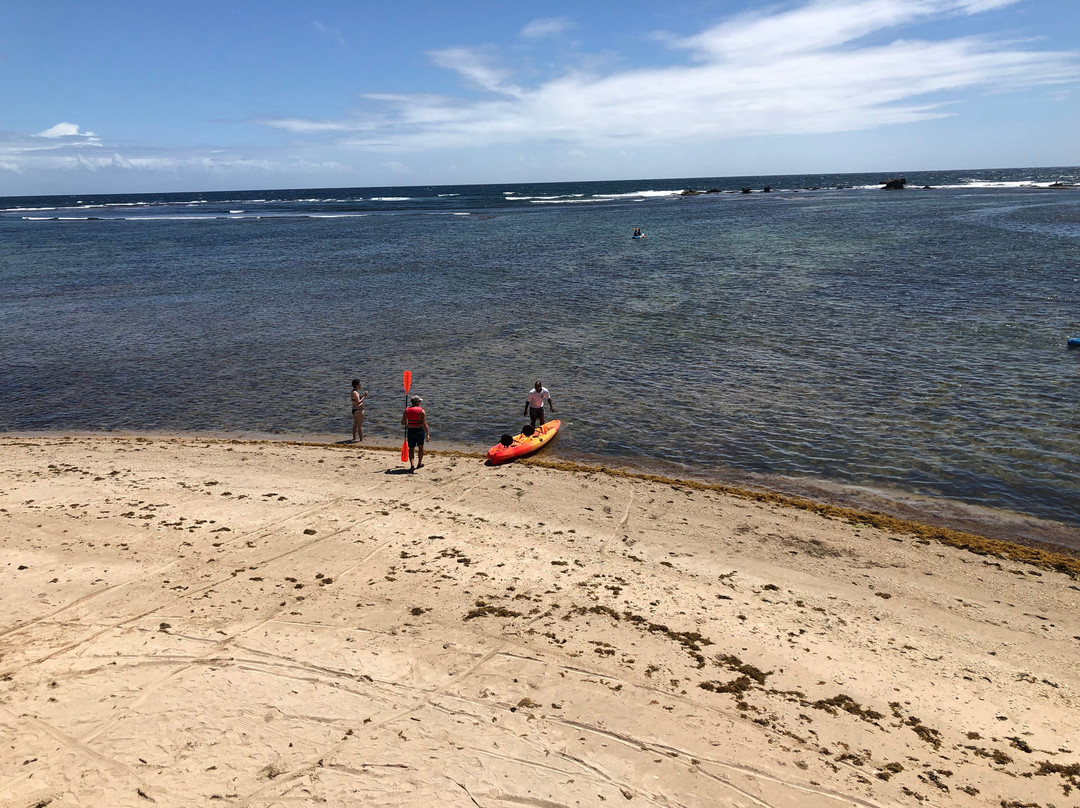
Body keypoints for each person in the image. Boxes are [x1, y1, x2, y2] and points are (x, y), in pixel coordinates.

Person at [400, 395, 430, 471]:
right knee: (420, 447)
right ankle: (419, 463)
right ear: (417, 403)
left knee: (411, 449)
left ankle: (412, 465)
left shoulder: (406, 410)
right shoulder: (422, 411)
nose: (420, 403)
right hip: (419, 431)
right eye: (419, 401)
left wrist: (407, 418)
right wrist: (427, 434)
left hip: (410, 431)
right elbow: (425, 424)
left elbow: (403, 423)